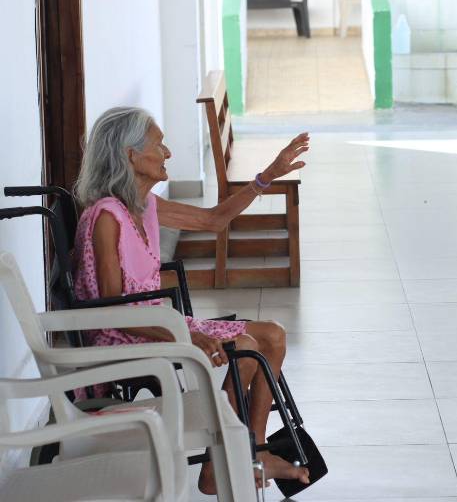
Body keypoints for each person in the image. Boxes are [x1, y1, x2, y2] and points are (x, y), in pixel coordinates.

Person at [71, 106, 311, 493]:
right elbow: (114, 312)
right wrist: (186, 336)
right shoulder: (107, 217)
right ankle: (220, 463)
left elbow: (214, 220)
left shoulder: (145, 205)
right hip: (124, 336)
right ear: (131, 155)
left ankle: (256, 450)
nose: (167, 153)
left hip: (157, 325)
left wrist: (268, 175)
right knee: (247, 347)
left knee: (274, 334)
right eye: (159, 145)